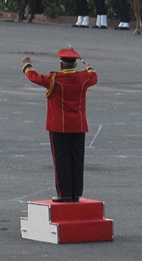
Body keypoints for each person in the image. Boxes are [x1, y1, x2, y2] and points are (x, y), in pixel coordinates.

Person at [23, 49, 97, 202]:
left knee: (62, 160)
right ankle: (76, 193)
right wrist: (89, 67)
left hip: (59, 126)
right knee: (77, 159)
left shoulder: (55, 79)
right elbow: (93, 77)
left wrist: (27, 65)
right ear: (75, 64)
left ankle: (64, 193)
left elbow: (34, 77)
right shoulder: (83, 78)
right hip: (78, 125)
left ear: (61, 64)